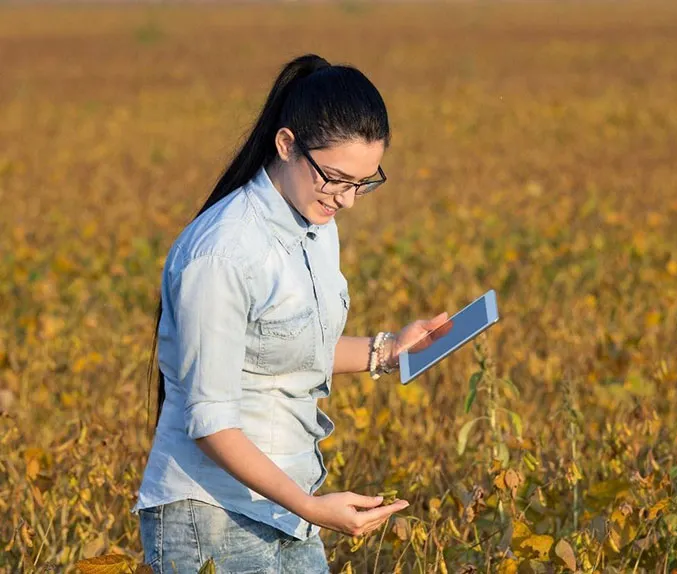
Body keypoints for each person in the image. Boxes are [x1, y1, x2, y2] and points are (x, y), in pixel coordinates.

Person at [131, 53, 449, 573]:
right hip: (210, 515)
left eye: (364, 183)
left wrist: (389, 350)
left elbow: (286, 351)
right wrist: (311, 508)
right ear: (285, 145)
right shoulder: (222, 253)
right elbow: (210, 421)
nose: (347, 200)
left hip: (286, 504)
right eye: (337, 179)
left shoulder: (317, 226)